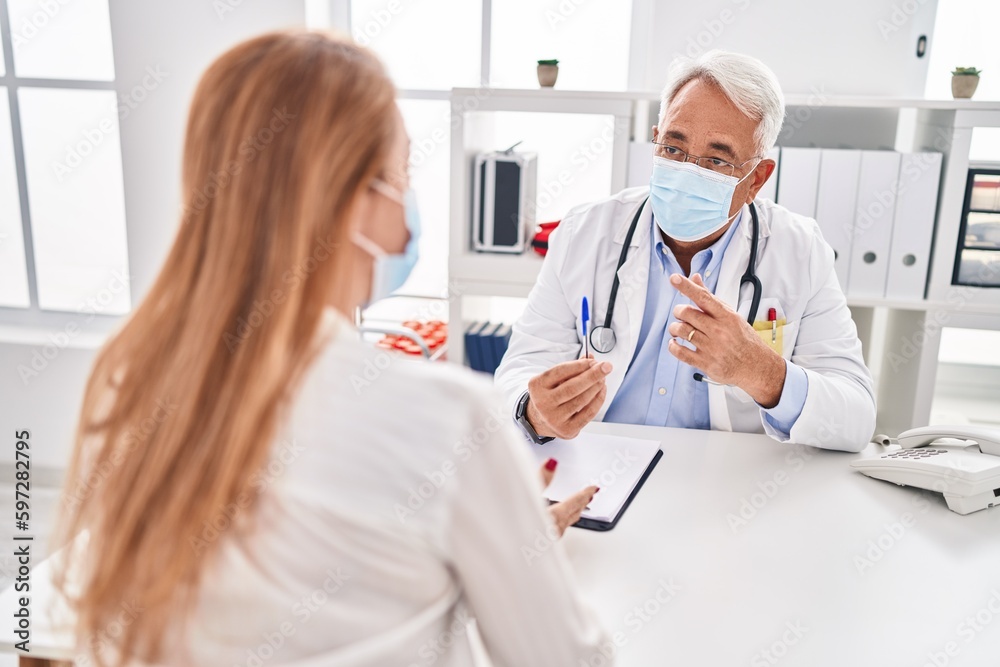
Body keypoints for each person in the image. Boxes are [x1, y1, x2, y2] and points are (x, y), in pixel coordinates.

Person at [51, 31, 606, 667]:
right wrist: (509, 555)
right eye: (403, 177)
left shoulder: (127, 378)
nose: (408, 216)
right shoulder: (446, 418)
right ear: (351, 202)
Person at [495, 50, 876, 453]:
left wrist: (761, 371)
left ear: (756, 180)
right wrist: (534, 411)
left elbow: (855, 418)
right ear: (656, 141)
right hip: (599, 465)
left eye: (716, 159)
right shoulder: (583, 233)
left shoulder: (801, 251)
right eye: (673, 150)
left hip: (725, 486)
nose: (687, 172)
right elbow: (521, 368)